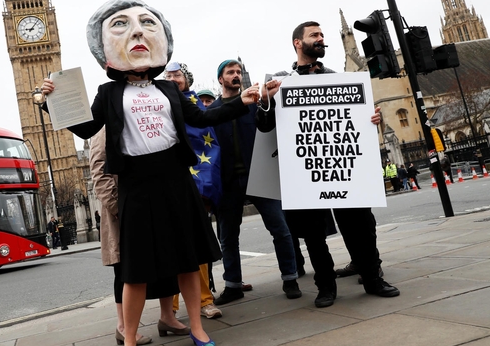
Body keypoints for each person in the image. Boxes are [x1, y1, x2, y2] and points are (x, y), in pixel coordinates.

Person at [41, 0, 261, 346]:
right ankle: (129, 341)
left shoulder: (170, 90)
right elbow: (87, 128)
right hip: (136, 186)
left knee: (188, 262)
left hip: (176, 181)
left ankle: (196, 326)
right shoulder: (108, 93)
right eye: (123, 27)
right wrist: (51, 104)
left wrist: (241, 101)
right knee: (136, 271)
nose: (138, 34)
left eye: (146, 25)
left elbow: (204, 117)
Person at [257, 20, 399, 308]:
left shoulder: (338, 79)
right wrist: (265, 101)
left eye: (322, 34)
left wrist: (370, 119)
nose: (321, 38)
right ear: (298, 43)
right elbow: (264, 126)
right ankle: (325, 286)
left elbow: (356, 121)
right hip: (307, 171)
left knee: (360, 225)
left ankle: (373, 278)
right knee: (313, 234)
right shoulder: (281, 82)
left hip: (343, 169)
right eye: (314, 35)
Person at [209, 59, 301, 306]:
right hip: (228, 182)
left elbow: (267, 125)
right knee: (228, 237)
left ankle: (290, 278)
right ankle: (233, 285)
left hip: (258, 175)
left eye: (239, 71)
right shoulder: (213, 110)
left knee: (280, 229)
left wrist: (267, 100)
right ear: (221, 79)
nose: (236, 75)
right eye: (230, 72)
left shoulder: (254, 104)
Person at [90, 126, 189, 346]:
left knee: (165, 259)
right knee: (124, 270)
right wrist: (119, 208)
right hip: (124, 210)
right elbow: (99, 172)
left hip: (149, 202)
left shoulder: (138, 119)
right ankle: (123, 328)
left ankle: (167, 317)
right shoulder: (104, 130)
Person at [165, 61, 223, 320]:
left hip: (196, 187)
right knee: (171, 248)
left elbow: (208, 147)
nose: (173, 79)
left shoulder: (195, 106)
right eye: (168, 76)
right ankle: (170, 307)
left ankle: (205, 300)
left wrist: (205, 186)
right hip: (168, 185)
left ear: (186, 79)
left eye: (177, 75)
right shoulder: (158, 105)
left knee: (197, 247)